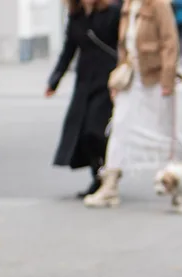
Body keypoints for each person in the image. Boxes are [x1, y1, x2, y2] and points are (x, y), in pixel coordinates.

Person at [84, 0, 182, 208]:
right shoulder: (128, 5)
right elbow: (123, 47)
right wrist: (117, 78)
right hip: (132, 78)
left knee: (165, 133)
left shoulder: (159, 5)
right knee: (120, 127)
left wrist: (167, 80)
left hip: (155, 78)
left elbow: (170, 42)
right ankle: (110, 185)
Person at [46, 0, 121, 198]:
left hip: (107, 80)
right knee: (80, 133)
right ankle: (99, 177)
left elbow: (124, 44)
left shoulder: (112, 13)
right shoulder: (76, 17)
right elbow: (68, 50)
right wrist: (54, 80)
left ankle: (110, 169)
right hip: (85, 82)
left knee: (94, 131)